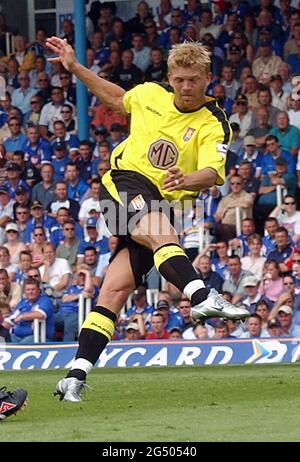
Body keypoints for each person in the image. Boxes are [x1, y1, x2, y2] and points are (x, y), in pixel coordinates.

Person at [46, 36, 249, 402]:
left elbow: (211, 173)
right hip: (124, 182)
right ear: (170, 77)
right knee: (160, 230)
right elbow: (116, 98)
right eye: (179, 79)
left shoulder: (214, 121)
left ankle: (75, 376)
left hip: (164, 201)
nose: (185, 87)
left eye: (193, 79)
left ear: (207, 78)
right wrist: (75, 68)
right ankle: (201, 295)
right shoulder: (150, 94)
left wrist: (187, 179)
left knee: (116, 288)